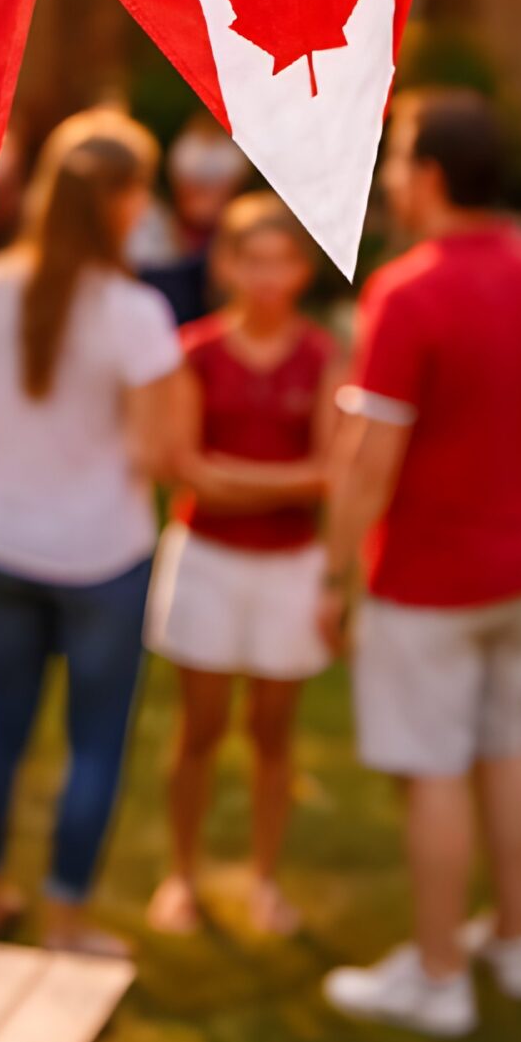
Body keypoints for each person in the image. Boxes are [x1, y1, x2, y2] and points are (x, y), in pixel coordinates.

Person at [319, 92, 521, 1037]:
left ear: (428, 177)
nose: (389, 179)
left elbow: (367, 463)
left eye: (395, 161)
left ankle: (437, 980)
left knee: (432, 771)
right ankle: (513, 943)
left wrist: (332, 576)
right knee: (506, 748)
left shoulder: (409, 289)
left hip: (431, 580)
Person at [0, 110, 183, 954]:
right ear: (121, 202)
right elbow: (159, 452)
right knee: (95, 743)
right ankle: (65, 919)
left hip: (5, 538)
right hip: (101, 555)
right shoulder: (135, 312)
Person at [144, 194, 341, 937]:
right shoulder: (195, 350)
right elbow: (183, 466)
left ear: (301, 269)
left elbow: (330, 471)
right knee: (198, 728)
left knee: (273, 732)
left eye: (281, 260)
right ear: (225, 264)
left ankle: (264, 877)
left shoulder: (322, 354)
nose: (266, 276)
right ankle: (183, 875)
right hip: (207, 561)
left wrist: (235, 476)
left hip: (289, 564)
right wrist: (280, 477)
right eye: (250, 259)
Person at [130, 115, 250, 326]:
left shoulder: (250, 239)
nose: (202, 191)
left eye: (215, 182)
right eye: (192, 181)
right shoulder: (147, 230)